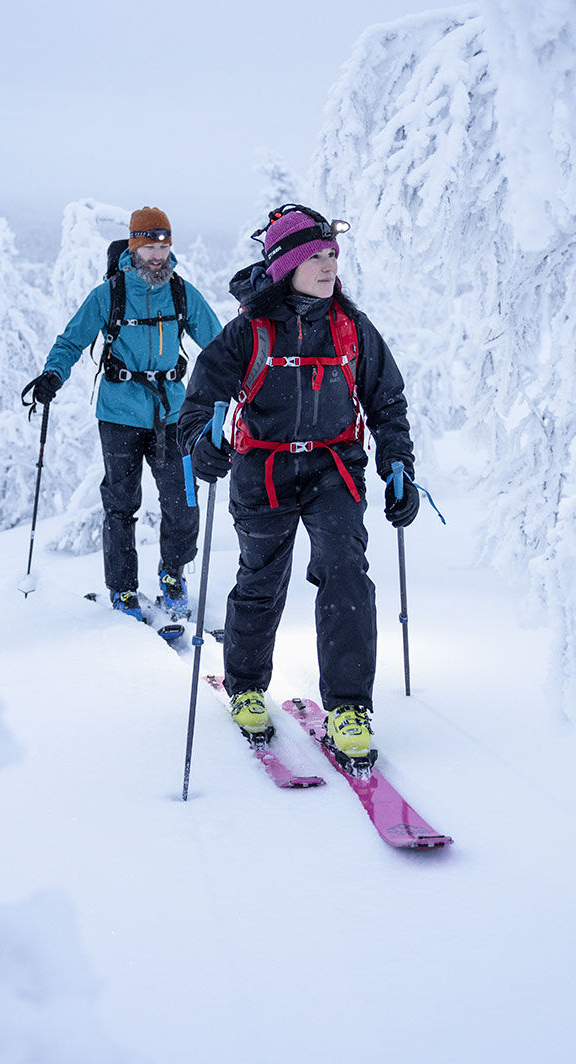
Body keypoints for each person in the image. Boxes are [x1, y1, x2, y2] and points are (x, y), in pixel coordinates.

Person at [178, 204, 422, 770]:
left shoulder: (353, 328)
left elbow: (387, 401)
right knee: (262, 580)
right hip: (262, 470)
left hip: (333, 469)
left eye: (333, 254)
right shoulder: (248, 333)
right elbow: (199, 405)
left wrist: (398, 466)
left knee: (345, 572)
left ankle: (349, 709)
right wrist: (202, 445)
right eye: (316, 255)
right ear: (287, 263)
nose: (329, 264)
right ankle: (244, 684)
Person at [25, 207, 222, 621]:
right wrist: (52, 375)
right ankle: (123, 590)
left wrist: (248, 376)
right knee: (120, 504)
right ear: (134, 247)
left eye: (164, 247)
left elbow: (220, 345)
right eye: (149, 246)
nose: (158, 256)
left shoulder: (182, 293)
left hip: (172, 414)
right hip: (118, 413)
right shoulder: (109, 294)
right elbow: (71, 340)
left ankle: (173, 574)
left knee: (183, 501)